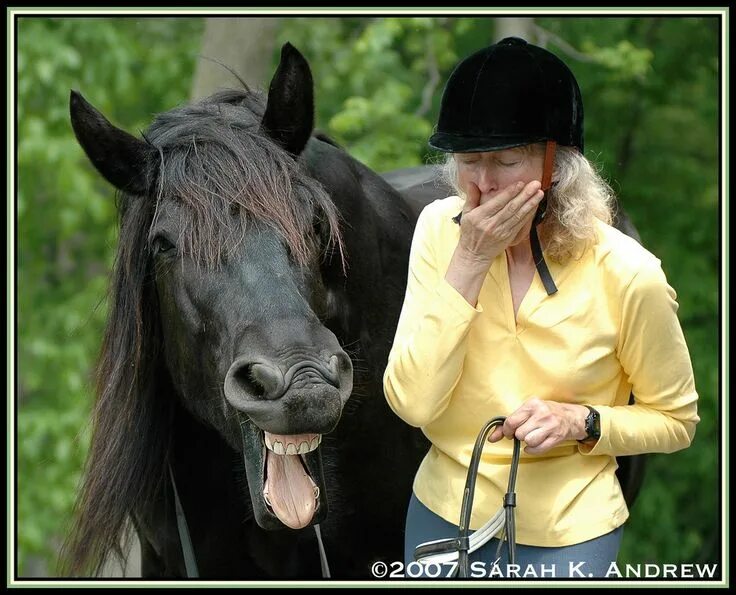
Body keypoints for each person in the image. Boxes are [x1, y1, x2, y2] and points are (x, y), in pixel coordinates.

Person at [383, 36, 699, 579]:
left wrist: (584, 420)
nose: (482, 186)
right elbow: (412, 404)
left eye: (506, 161)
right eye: (468, 162)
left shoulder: (631, 274)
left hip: (568, 528)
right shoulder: (438, 228)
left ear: (556, 163)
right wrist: (469, 260)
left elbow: (676, 421)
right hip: (441, 511)